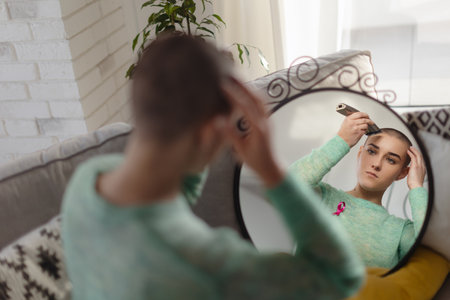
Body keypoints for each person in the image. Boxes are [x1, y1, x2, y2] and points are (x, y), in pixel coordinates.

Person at [61, 33, 365, 299]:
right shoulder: (210, 265)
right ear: (211, 132)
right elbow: (342, 277)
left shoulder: (88, 180)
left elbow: (177, 197)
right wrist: (270, 169)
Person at [289, 112, 427, 269]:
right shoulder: (322, 196)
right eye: (372, 151)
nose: (376, 164)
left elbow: (430, 254)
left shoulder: (401, 231)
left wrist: (417, 187)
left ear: (402, 173)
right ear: (360, 153)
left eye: (391, 160)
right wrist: (341, 141)